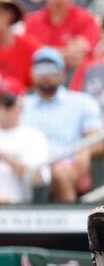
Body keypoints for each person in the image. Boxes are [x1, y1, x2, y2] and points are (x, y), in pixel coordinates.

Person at [21, 47, 103, 203]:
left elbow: (96, 138)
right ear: (32, 73)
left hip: (67, 166)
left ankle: (68, 226)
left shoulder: (82, 102)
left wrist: (86, 149)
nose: (45, 75)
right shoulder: (21, 105)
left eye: (52, 69)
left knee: (62, 174)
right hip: (27, 167)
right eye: (40, 69)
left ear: (63, 73)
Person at [24, 0, 100, 70]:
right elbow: (31, 55)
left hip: (76, 79)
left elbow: (81, 56)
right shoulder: (32, 20)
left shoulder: (86, 19)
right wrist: (66, 52)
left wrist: (45, 53)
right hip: (41, 78)